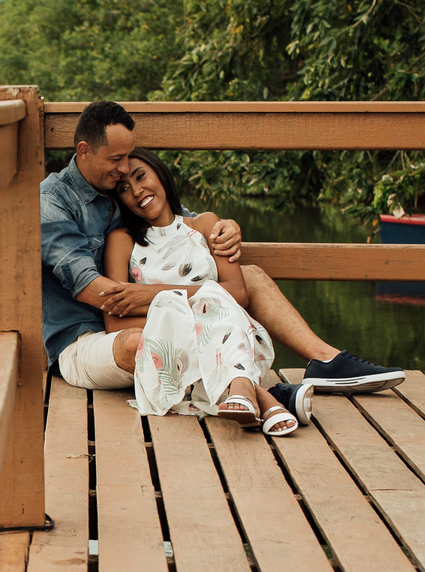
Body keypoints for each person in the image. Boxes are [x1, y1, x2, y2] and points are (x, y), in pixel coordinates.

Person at [40, 101, 404, 398]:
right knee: (140, 342)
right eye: (115, 160)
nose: (124, 171)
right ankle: (269, 396)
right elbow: (91, 288)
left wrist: (222, 227)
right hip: (86, 339)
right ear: (83, 152)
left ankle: (326, 360)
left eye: (130, 158)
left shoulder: (118, 188)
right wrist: (173, 300)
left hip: (155, 319)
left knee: (251, 276)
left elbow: (173, 222)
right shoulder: (53, 201)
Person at [107, 147, 300, 434]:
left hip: (226, 332)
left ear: (160, 174)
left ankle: (245, 393)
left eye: (141, 176)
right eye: (124, 188)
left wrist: (156, 293)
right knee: (210, 296)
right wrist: (179, 311)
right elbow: (114, 323)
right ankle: (259, 394)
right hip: (169, 347)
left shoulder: (205, 224)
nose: (136, 191)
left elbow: (238, 293)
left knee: (213, 297)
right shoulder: (122, 241)